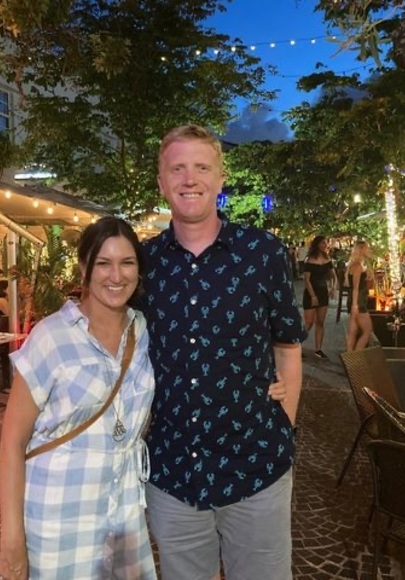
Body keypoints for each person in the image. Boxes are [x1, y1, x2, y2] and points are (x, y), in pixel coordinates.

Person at [141, 125, 306, 580]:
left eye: (201, 167)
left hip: (256, 465)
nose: (189, 178)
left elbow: (288, 346)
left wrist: (285, 426)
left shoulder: (263, 252)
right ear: (162, 182)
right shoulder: (145, 262)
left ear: (220, 178)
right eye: (177, 168)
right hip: (174, 471)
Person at [0, 217, 157, 580]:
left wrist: (272, 384)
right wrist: (12, 539)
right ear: (84, 268)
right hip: (59, 518)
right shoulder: (51, 337)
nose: (116, 275)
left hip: (125, 512)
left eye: (127, 262)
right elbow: (11, 444)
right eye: (103, 263)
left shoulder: (144, 329)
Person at [302, 235, 337, 359]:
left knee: (320, 322)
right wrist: (313, 296)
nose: (325, 245)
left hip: (323, 292)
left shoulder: (327, 259)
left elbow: (334, 276)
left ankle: (318, 349)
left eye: (326, 243)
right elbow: (306, 280)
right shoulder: (309, 260)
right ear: (317, 245)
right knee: (309, 322)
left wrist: (333, 288)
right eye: (323, 243)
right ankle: (297, 345)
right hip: (311, 292)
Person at [346, 240, 374, 351]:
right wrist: (355, 305)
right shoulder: (357, 266)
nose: (369, 250)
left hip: (356, 300)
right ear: (361, 250)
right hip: (359, 301)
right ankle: (357, 357)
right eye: (367, 248)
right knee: (367, 331)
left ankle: (350, 357)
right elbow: (355, 287)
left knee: (353, 331)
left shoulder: (358, 265)